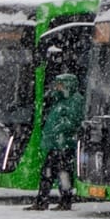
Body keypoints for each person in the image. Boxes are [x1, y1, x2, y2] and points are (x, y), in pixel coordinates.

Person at [29, 65, 84, 210]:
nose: (57, 87)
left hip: (65, 144)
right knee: (48, 172)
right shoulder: (59, 100)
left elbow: (73, 121)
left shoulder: (75, 100)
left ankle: (64, 200)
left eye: (60, 84)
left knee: (63, 173)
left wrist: (58, 129)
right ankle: (42, 200)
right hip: (56, 144)